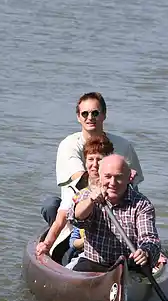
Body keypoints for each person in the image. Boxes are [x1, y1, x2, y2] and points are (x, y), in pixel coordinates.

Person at [41, 92, 143, 227]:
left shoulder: (124, 145)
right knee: (50, 205)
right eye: (85, 114)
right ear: (78, 117)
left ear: (104, 115)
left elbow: (134, 185)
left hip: (115, 207)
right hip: (75, 205)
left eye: (95, 113)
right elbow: (81, 178)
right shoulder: (68, 144)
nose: (90, 118)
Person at [67, 155, 161, 273]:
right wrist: (91, 201)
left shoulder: (142, 204)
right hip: (94, 263)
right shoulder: (87, 196)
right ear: (100, 177)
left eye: (119, 177)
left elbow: (149, 239)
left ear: (128, 178)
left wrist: (145, 252)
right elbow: (76, 217)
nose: (113, 183)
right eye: (108, 177)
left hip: (129, 267)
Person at [35, 135, 114, 263]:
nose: (94, 165)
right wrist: (47, 244)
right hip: (79, 241)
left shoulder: (117, 185)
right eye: (91, 159)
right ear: (85, 161)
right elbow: (62, 218)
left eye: (99, 160)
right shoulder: (77, 189)